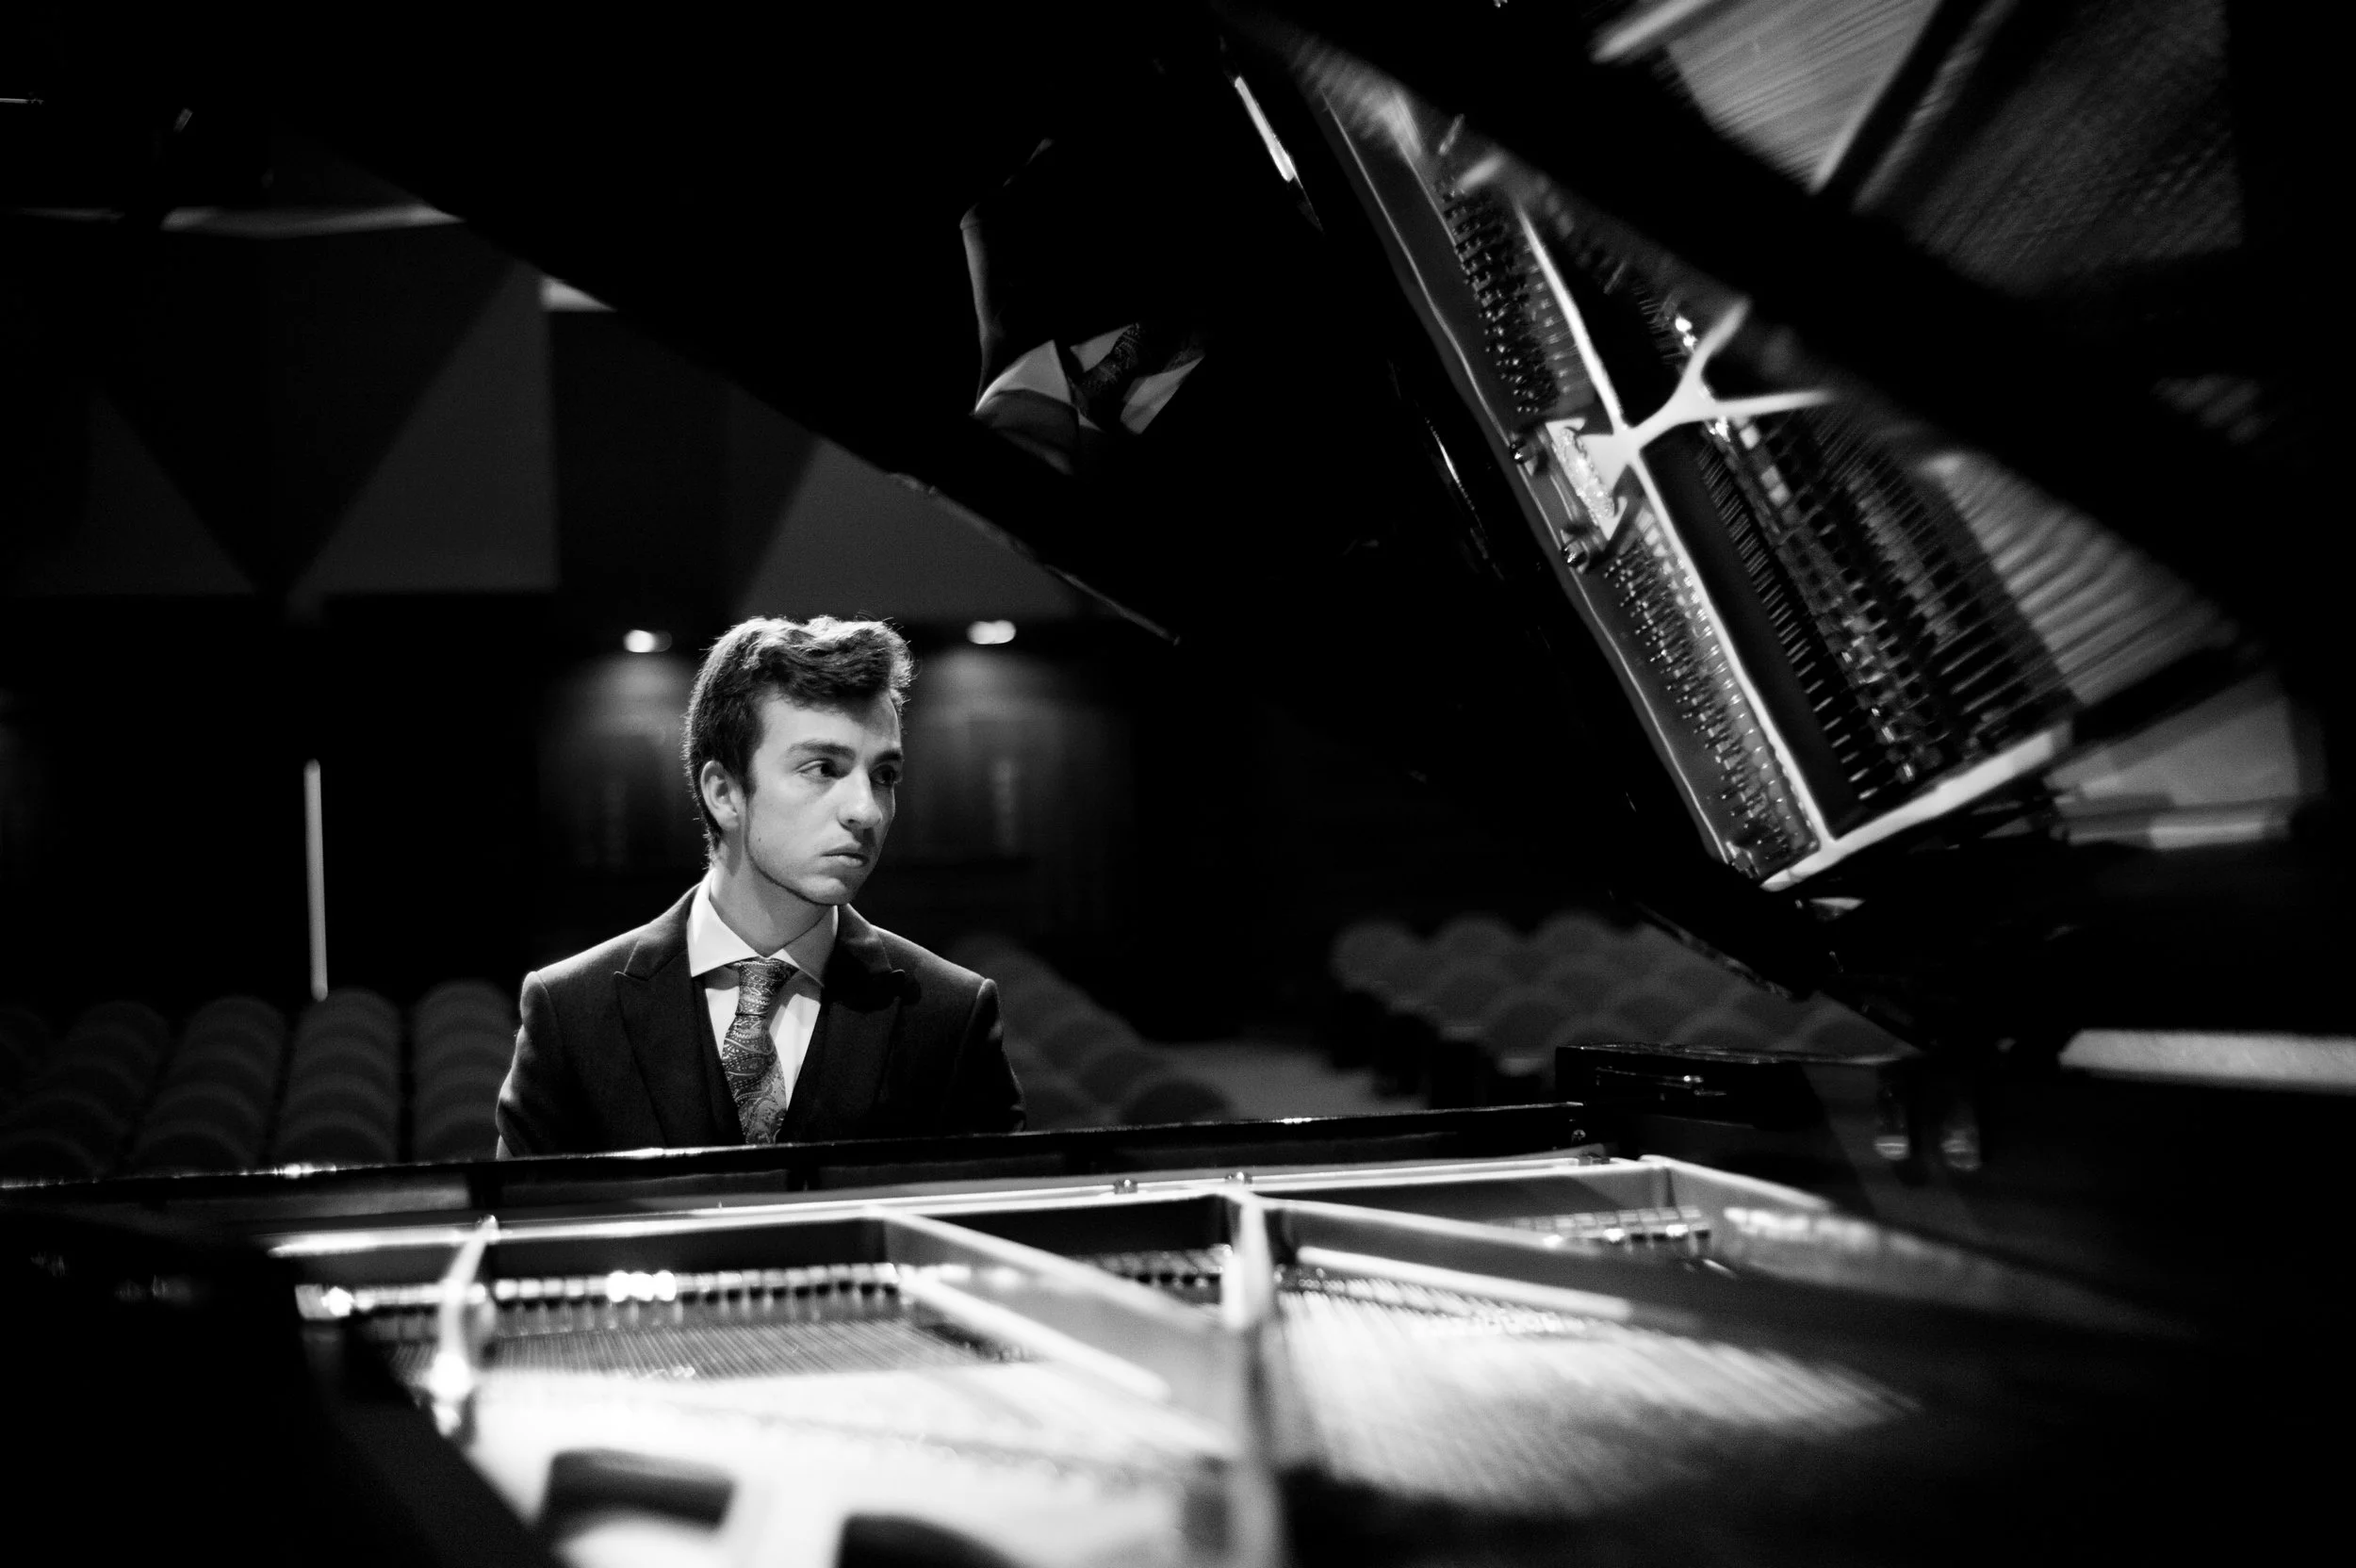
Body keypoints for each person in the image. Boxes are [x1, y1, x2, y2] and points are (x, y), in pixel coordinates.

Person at [496, 616, 1023, 1155]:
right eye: (822, 768)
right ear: (724, 793)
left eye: (884, 775)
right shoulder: (571, 1013)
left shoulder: (950, 1015)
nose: (866, 810)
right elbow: (525, 1232)